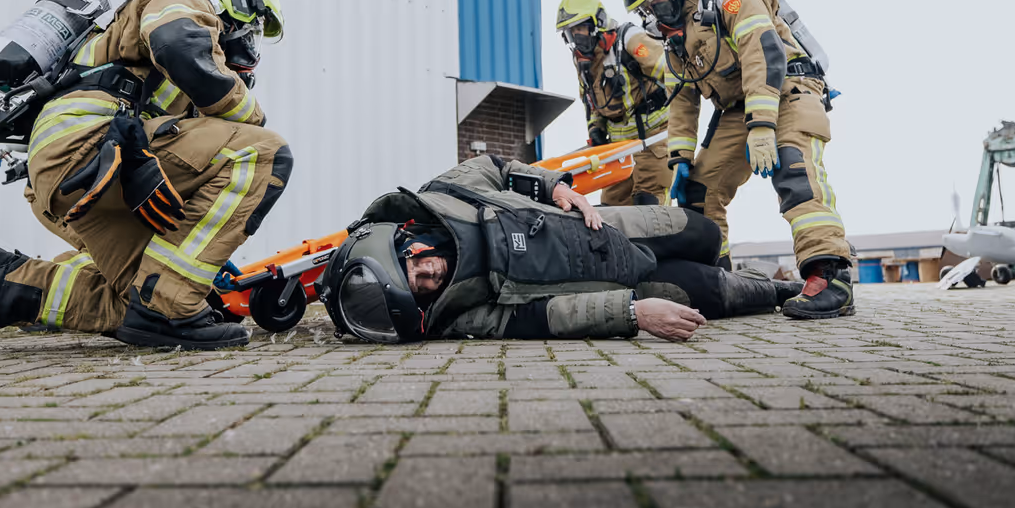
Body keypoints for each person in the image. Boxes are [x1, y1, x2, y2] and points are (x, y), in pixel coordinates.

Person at [0, 0, 293, 352]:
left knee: (142, 301)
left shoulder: (166, 69)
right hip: (89, 149)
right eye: (252, 25)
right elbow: (178, 43)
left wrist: (199, 249)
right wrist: (253, 118)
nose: (248, 40)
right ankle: (172, 305)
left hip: (71, 171)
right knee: (263, 153)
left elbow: (185, 145)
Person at [319, 154, 804, 343]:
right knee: (718, 294)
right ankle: (786, 292)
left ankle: (744, 268)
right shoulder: (457, 316)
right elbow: (550, 317)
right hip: (628, 284)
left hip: (609, 226)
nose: (430, 275)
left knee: (705, 234)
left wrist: (555, 189)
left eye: (417, 266)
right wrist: (634, 312)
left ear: (407, 240)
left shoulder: (445, 191)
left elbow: (498, 167)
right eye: (422, 288)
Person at [617, 0, 853, 319]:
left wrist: (762, 126)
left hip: (789, 87)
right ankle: (716, 279)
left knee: (793, 170)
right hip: (738, 107)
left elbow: (763, 53)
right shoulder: (675, 36)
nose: (655, 13)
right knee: (698, 190)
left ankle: (830, 275)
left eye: (658, 0)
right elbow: (682, 98)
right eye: (646, 8)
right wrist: (679, 158)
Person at [555, 0, 672, 205]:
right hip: (618, 150)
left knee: (649, 207)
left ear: (596, 23)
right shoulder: (583, 62)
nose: (576, 37)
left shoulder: (629, 40)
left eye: (580, 28)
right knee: (611, 211)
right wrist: (595, 129)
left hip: (653, 140)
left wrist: (684, 123)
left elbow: (672, 73)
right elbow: (590, 102)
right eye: (570, 32)